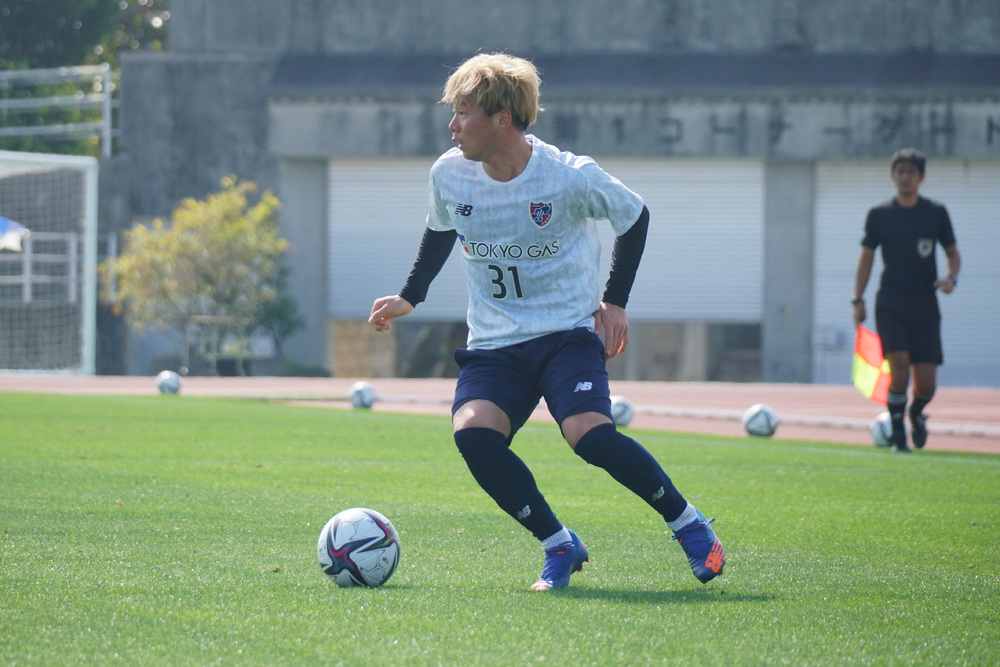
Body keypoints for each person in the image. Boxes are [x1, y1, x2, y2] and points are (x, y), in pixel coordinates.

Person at [368, 53, 725, 590]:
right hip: (494, 343)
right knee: (474, 435)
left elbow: (634, 215)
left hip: (566, 335)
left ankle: (689, 525)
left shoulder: (567, 176)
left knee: (589, 436)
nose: (452, 126)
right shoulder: (449, 173)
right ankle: (559, 545)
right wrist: (409, 296)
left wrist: (615, 301)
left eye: (462, 113)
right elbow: (441, 229)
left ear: (501, 119)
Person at [852, 148, 961, 453]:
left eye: (911, 172)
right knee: (899, 366)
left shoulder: (935, 212)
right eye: (900, 171)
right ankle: (899, 437)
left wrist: (952, 278)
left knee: (926, 382)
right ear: (893, 175)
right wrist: (857, 299)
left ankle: (916, 412)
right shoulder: (879, 215)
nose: (905, 177)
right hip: (891, 301)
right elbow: (866, 258)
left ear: (921, 177)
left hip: (925, 302)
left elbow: (953, 253)